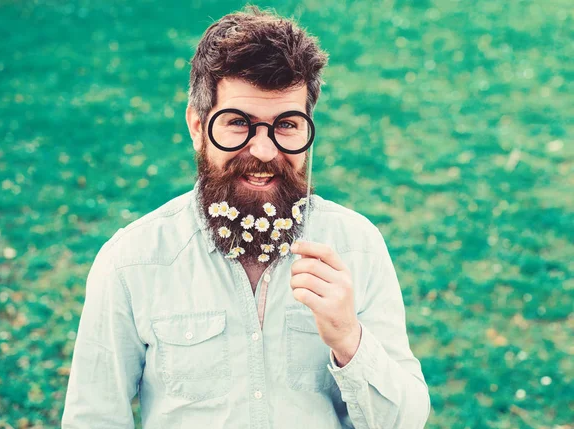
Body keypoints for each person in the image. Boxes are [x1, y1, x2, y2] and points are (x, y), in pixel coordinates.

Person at [62, 5, 430, 429]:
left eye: (287, 125)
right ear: (198, 127)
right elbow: (94, 419)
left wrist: (350, 339)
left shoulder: (356, 247)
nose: (264, 151)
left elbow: (407, 421)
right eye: (238, 123)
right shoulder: (132, 262)